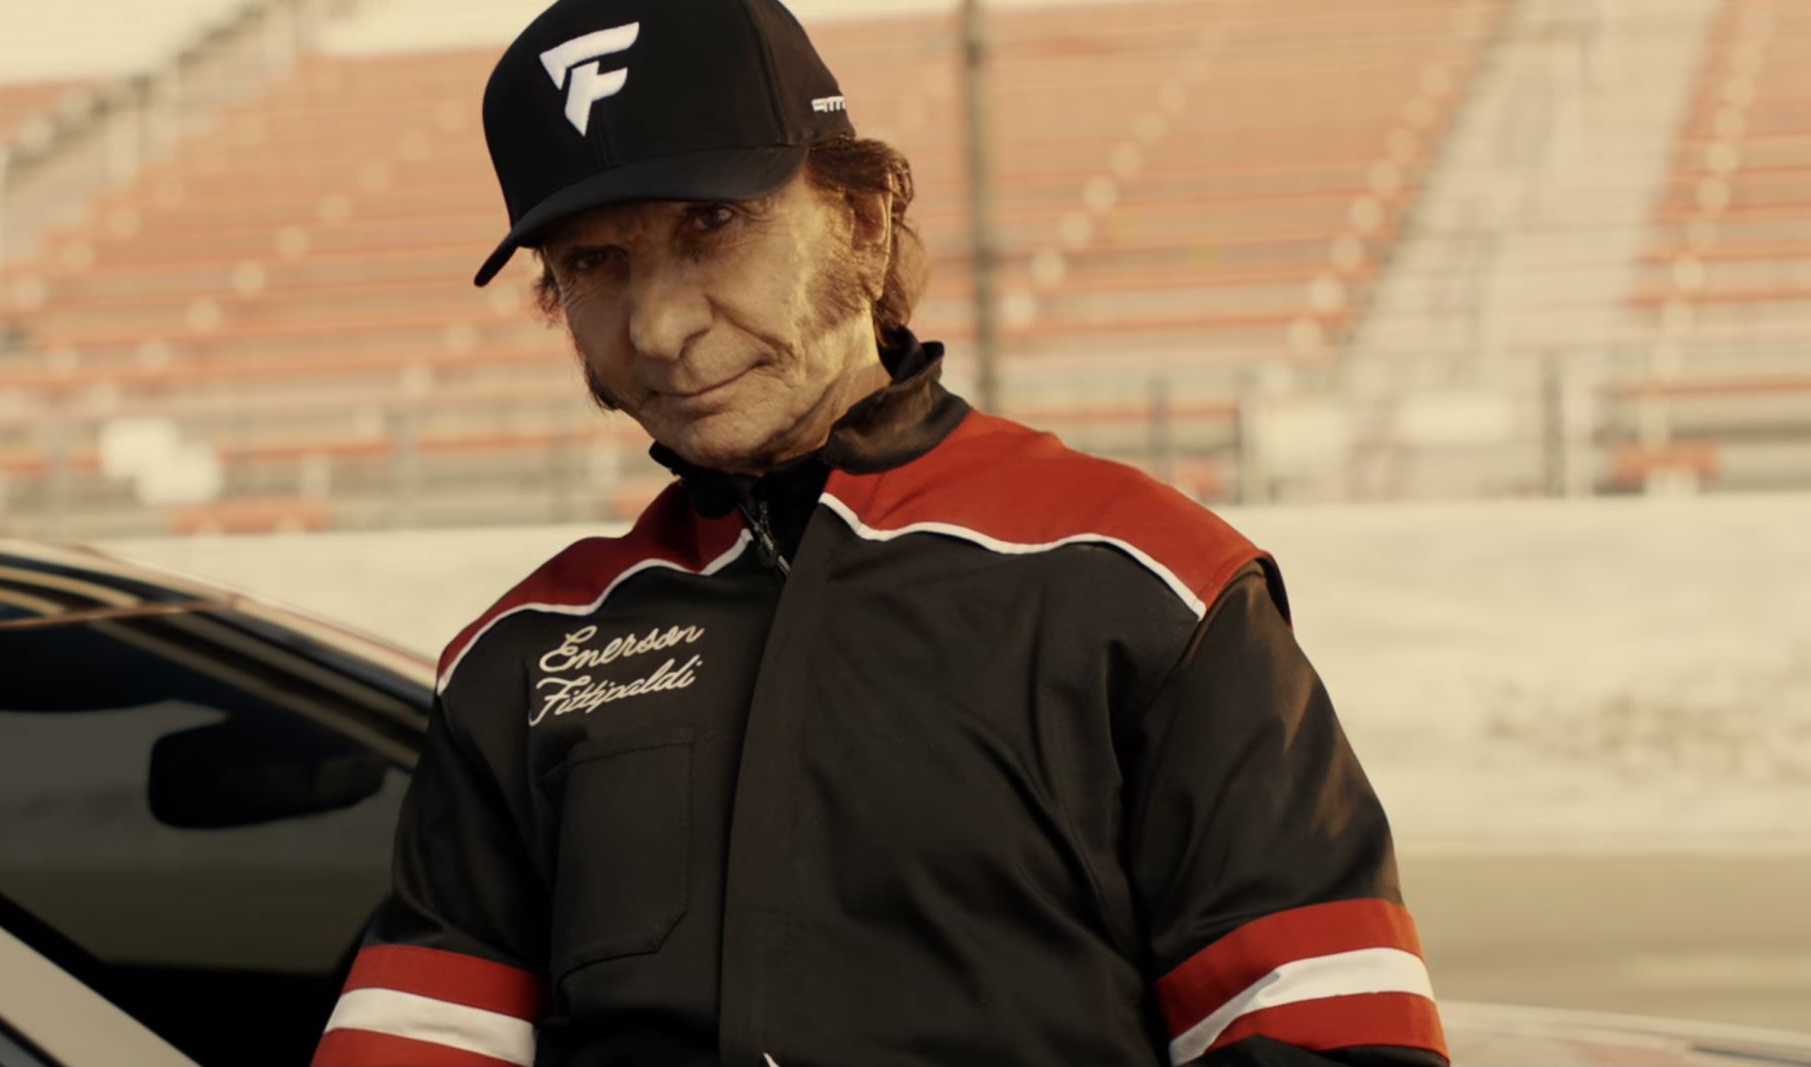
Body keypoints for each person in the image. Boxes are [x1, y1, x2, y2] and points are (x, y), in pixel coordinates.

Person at [312, 1, 1445, 1064]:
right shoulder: (522, 649)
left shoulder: (1146, 579)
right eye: (593, 264)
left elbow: (1331, 1031)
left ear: (860, 219)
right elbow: (417, 1039)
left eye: (713, 225)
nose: (657, 326)